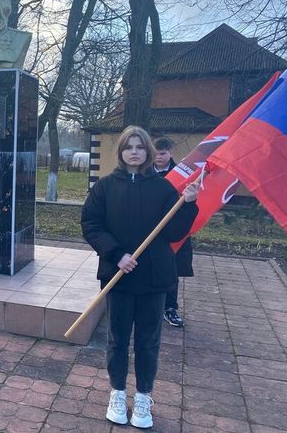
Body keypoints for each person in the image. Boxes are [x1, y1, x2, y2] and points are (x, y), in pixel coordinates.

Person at [81, 126, 199, 429]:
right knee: (118, 339)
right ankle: (117, 393)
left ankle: (144, 396)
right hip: (119, 275)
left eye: (140, 147)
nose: (134, 151)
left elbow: (174, 233)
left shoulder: (162, 189)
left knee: (148, 341)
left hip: (153, 278)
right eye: (128, 147)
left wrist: (188, 205)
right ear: (121, 151)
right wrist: (116, 253)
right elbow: (91, 225)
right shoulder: (104, 187)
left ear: (148, 151)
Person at [153, 137, 195, 328]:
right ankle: (149, 306)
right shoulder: (144, 173)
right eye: (155, 153)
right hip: (148, 230)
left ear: (170, 153)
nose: (158, 157)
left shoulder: (183, 176)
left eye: (162, 153)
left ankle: (170, 308)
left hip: (172, 230)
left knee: (172, 271)